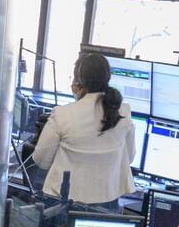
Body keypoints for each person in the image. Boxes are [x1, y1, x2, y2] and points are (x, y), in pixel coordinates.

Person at [32, 52, 134, 210]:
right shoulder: (123, 111)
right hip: (107, 204)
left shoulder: (63, 114)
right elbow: (130, 157)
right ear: (107, 77)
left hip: (63, 203)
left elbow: (41, 161)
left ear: (79, 80)